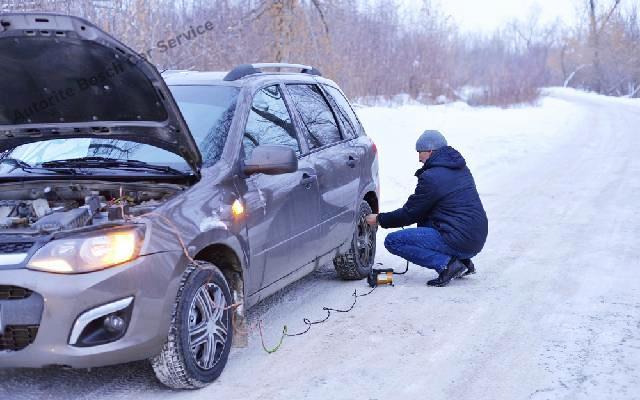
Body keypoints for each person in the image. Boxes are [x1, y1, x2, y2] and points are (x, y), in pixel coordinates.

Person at [365, 130, 488, 287]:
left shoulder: (433, 177)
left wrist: (379, 219)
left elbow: (410, 213)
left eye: (420, 152)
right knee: (425, 219)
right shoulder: (460, 169)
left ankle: (447, 265)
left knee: (393, 241)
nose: (419, 158)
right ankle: (464, 262)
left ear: (430, 151)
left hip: (459, 239)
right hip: (475, 238)